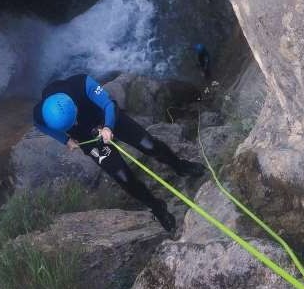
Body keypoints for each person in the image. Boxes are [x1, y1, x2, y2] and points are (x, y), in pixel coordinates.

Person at [33, 74, 205, 232]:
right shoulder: (41, 114)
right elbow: (39, 125)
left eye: (73, 120)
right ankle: (157, 207)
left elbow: (108, 104)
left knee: (149, 145)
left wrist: (108, 126)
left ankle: (180, 166)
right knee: (122, 176)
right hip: (85, 136)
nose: (74, 122)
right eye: (70, 125)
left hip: (104, 116)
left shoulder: (82, 84)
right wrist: (65, 140)